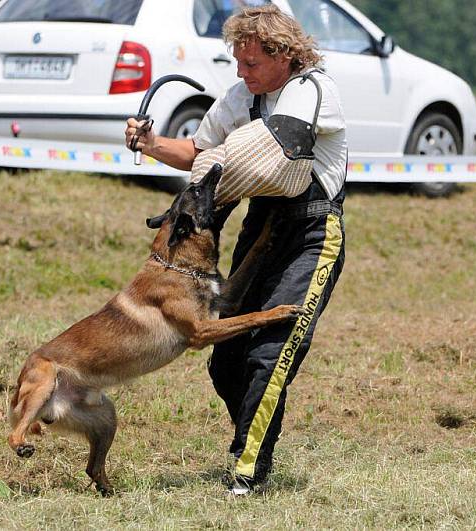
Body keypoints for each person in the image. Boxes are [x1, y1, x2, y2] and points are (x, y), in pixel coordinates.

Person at [124, 4, 347, 495]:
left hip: (313, 235)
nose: (241, 74)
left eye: (251, 64)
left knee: (271, 352)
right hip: (260, 231)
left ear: (284, 55)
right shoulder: (241, 96)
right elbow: (203, 156)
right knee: (226, 360)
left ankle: (246, 473)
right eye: (238, 64)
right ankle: (256, 438)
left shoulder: (311, 90)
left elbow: (270, 154)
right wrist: (153, 143)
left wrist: (215, 164)